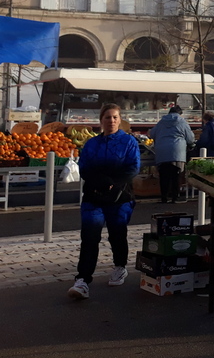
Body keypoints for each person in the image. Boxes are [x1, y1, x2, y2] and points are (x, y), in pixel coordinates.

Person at [68, 103, 140, 300]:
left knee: (117, 233)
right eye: (108, 117)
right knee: (90, 235)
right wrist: (100, 182)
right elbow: (85, 167)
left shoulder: (129, 142)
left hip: (120, 196)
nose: (112, 121)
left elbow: (133, 167)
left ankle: (120, 266)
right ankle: (83, 279)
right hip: (94, 195)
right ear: (101, 120)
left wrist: (114, 183)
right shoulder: (92, 144)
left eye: (115, 117)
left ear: (120, 120)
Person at [149, 105, 195, 203]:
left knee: (164, 175)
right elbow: (190, 139)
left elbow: (152, 134)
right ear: (180, 113)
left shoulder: (161, 122)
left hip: (162, 152)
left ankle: (164, 197)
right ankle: (175, 197)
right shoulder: (183, 122)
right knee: (176, 175)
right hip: (177, 152)